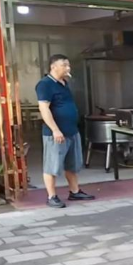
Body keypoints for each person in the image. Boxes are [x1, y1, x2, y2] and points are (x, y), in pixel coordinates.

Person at [36, 54, 94, 208]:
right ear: (53, 66)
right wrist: (55, 130)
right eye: (64, 65)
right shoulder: (45, 84)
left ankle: (75, 191)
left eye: (68, 65)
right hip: (56, 134)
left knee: (72, 164)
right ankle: (51, 196)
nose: (68, 68)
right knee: (52, 166)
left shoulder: (64, 83)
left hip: (71, 131)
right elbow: (44, 108)